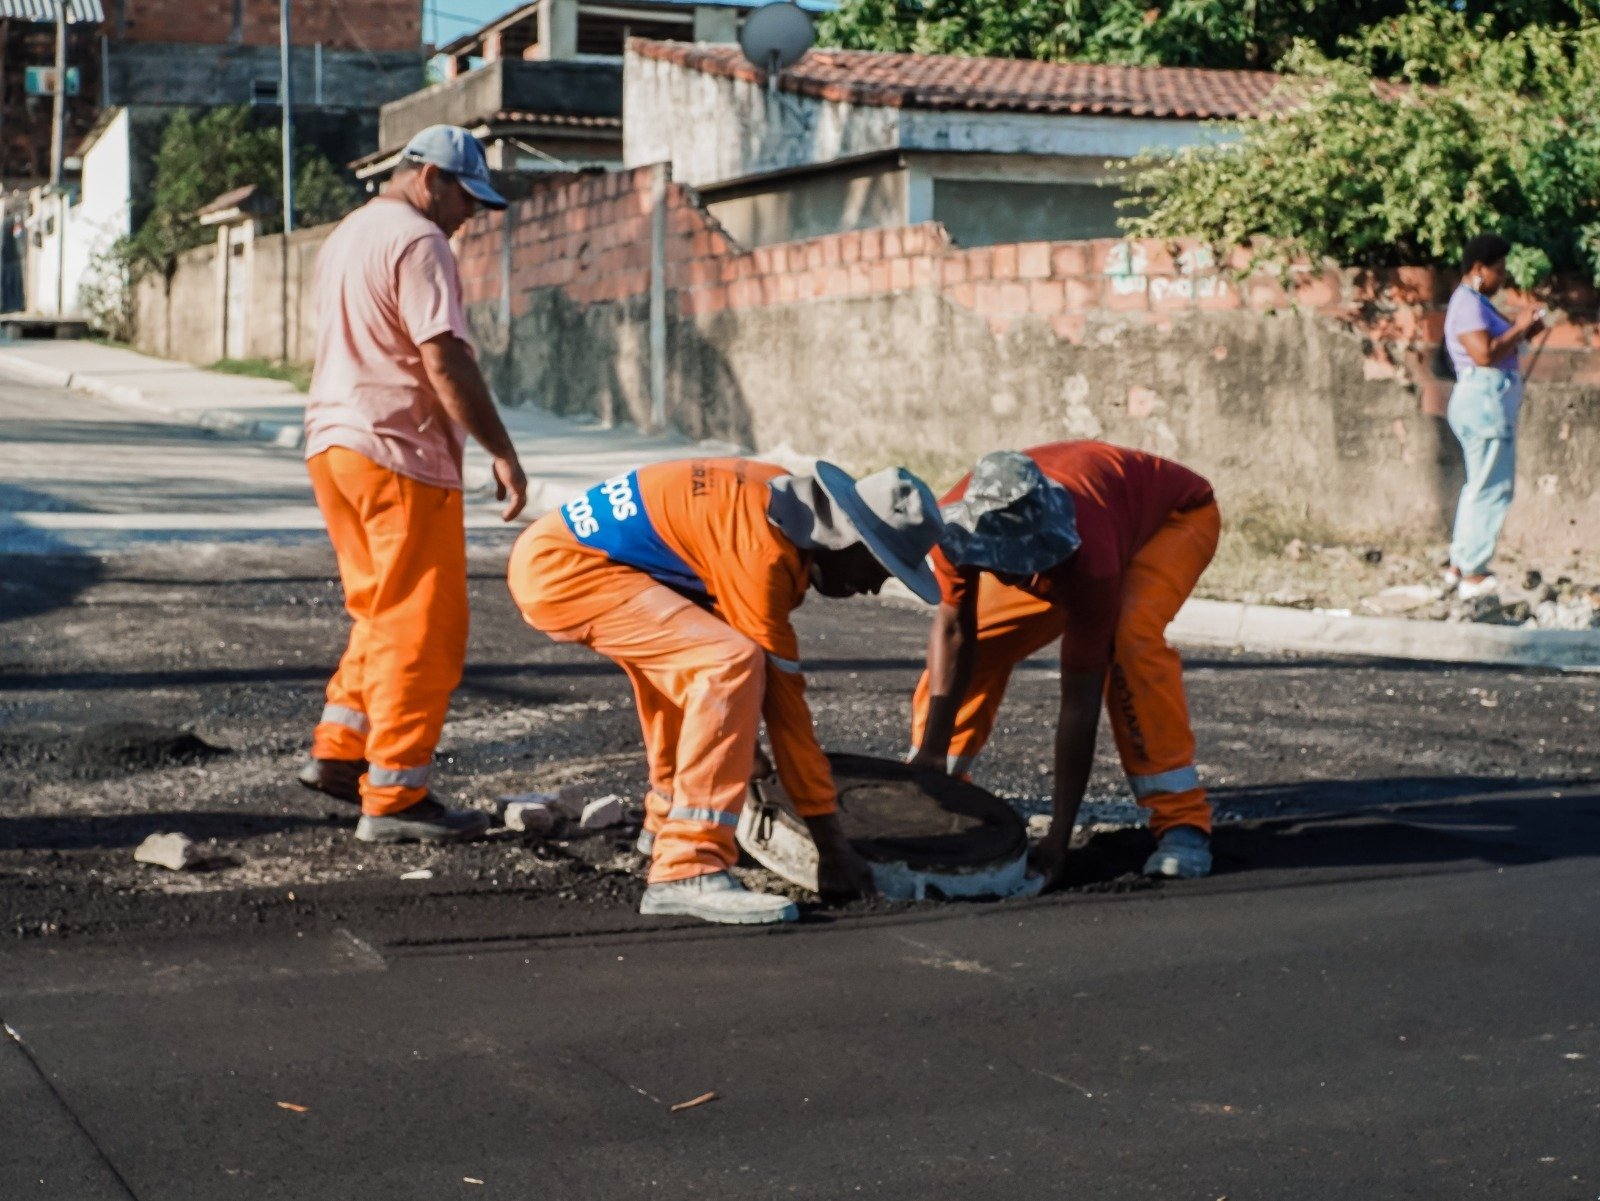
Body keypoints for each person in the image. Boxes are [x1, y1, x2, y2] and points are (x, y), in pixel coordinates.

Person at [508, 457, 945, 925]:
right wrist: (830, 844)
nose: (878, 585)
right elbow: (784, 708)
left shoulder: (775, 497)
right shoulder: (762, 548)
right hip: (565, 571)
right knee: (727, 663)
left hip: (577, 557)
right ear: (845, 539)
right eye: (880, 562)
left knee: (700, 660)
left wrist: (740, 749)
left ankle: (666, 822)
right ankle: (689, 865)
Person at [296, 125, 529, 843]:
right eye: (466, 197)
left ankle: (343, 752)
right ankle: (395, 794)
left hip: (334, 447)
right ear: (429, 177)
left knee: (379, 609)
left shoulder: (349, 233)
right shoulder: (419, 241)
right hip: (399, 449)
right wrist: (502, 450)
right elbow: (445, 359)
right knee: (422, 625)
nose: (469, 217)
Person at [907, 443, 1220, 884]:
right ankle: (940, 784)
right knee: (988, 641)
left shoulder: (1089, 561)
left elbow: (1079, 703)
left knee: (1129, 642)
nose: (1016, 576)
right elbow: (956, 632)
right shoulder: (952, 529)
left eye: (1024, 561)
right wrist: (931, 757)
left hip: (1174, 521)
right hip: (1103, 519)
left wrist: (1059, 836)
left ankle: (1182, 821)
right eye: (1005, 562)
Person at [1441, 234, 1546, 599]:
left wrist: (1523, 331)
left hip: (1483, 400)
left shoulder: (1474, 303)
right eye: (1497, 270)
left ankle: (1459, 564)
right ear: (1477, 269)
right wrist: (1519, 328)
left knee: (1478, 486)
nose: (1502, 278)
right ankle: (1473, 572)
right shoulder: (1468, 303)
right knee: (1493, 489)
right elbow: (1483, 354)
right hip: (1484, 402)